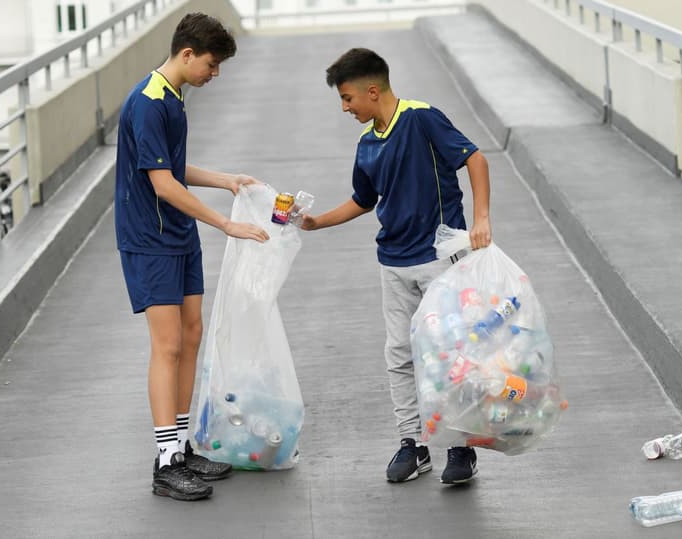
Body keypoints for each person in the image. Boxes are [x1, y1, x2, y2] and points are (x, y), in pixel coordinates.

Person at [301, 48, 492, 485]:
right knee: (401, 356)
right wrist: (317, 222)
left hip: (441, 258)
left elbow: (475, 159)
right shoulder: (367, 145)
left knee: (450, 355)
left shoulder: (422, 118)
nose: (345, 108)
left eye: (348, 98)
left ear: (372, 90)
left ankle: (461, 449)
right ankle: (413, 443)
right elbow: (363, 200)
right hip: (393, 263)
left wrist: (481, 219)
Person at [114, 12, 269, 501]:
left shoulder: (172, 97)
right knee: (168, 347)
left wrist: (225, 179)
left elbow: (174, 168)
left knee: (191, 335)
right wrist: (225, 223)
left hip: (177, 236)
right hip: (149, 239)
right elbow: (161, 184)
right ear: (186, 54)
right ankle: (165, 463)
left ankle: (182, 447)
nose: (214, 73)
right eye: (212, 63)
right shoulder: (147, 102)